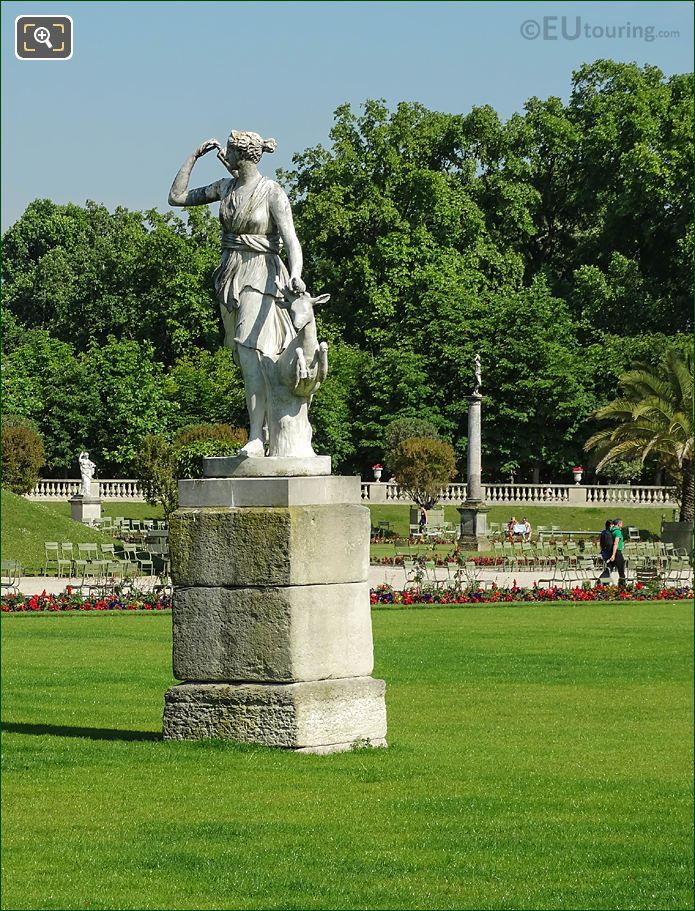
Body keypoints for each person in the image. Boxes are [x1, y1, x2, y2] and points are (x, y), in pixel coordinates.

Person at [169, 130, 305, 457]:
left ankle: (257, 436)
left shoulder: (272, 192)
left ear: (239, 156)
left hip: (263, 274)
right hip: (230, 276)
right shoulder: (225, 188)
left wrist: (296, 275)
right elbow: (177, 197)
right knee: (246, 359)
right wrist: (193, 157)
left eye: (228, 151)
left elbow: (291, 240)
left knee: (253, 352)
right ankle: (265, 431)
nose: (224, 156)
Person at [609, 517, 626, 589]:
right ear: (619, 524)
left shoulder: (612, 531)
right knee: (621, 571)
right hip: (617, 553)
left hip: (611, 552)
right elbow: (616, 543)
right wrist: (613, 555)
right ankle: (622, 587)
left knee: (608, 570)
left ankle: (602, 584)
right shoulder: (618, 532)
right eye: (621, 523)